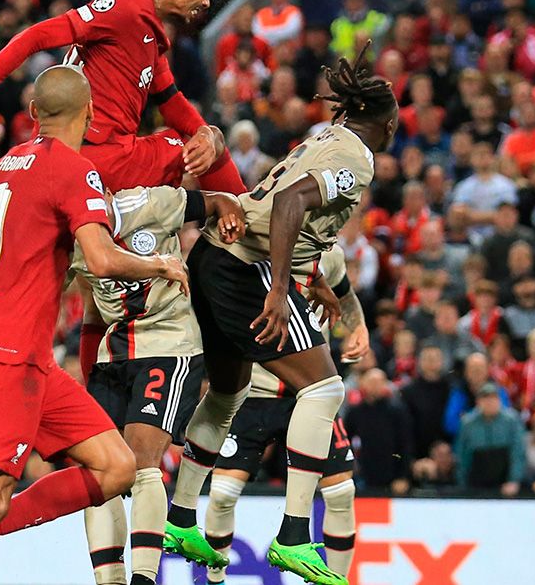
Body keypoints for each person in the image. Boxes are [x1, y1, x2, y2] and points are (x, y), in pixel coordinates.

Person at [0, 66, 188, 584]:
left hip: (26, 358)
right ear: (91, 113)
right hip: (8, 358)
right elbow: (99, 259)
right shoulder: (74, 170)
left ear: (34, 114)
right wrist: (160, 264)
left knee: (117, 467)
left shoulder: (1, 167)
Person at [162, 45, 395, 585]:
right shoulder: (358, 157)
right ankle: (293, 535)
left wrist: (311, 277)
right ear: (389, 122)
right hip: (249, 270)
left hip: (215, 253)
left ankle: (178, 517)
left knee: (227, 391)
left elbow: (284, 207)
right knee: (323, 390)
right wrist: (282, 286)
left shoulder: (325, 136)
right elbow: (291, 203)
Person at [0, 0, 245, 196]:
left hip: (78, 154)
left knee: (206, 136)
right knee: (204, 146)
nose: (206, 1)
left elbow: (171, 101)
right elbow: (38, 34)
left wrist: (203, 130)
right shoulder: (123, 7)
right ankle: (247, 216)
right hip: (96, 157)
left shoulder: (149, 34)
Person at [73, 183, 245, 585]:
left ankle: (145, 579)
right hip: (112, 354)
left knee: (140, 461)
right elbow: (91, 312)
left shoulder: (153, 202)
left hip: (169, 343)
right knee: (100, 472)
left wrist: (232, 216)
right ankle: (109, 580)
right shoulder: (71, 237)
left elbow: (220, 201)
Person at [202, 248, 368, 585]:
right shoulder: (249, 249)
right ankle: (214, 579)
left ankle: (337, 579)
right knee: (220, 495)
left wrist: (359, 326)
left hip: (309, 396)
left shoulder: (328, 253)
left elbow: (345, 294)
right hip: (255, 397)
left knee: (341, 493)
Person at [455, 382, 525, 495]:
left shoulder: (512, 421)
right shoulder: (467, 423)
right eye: (485, 399)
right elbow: (462, 454)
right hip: (476, 481)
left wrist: (514, 480)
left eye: (493, 398)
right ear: (478, 402)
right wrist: (462, 483)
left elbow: (517, 452)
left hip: (504, 481)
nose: (489, 402)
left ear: (499, 400)